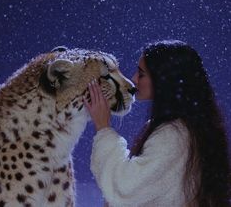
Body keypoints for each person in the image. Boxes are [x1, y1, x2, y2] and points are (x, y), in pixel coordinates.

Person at [83, 40, 230, 207]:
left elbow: (125, 189)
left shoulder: (174, 135)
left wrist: (103, 128)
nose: (133, 80)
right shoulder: (189, 128)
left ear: (164, 79)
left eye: (141, 74)